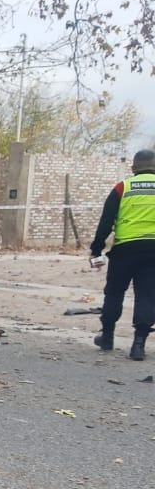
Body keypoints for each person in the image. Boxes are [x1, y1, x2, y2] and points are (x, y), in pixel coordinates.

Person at [89, 148, 155, 361]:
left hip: (125, 250)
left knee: (114, 293)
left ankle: (107, 337)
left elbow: (106, 222)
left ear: (134, 167)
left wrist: (96, 249)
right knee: (147, 295)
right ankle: (138, 345)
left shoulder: (122, 187)